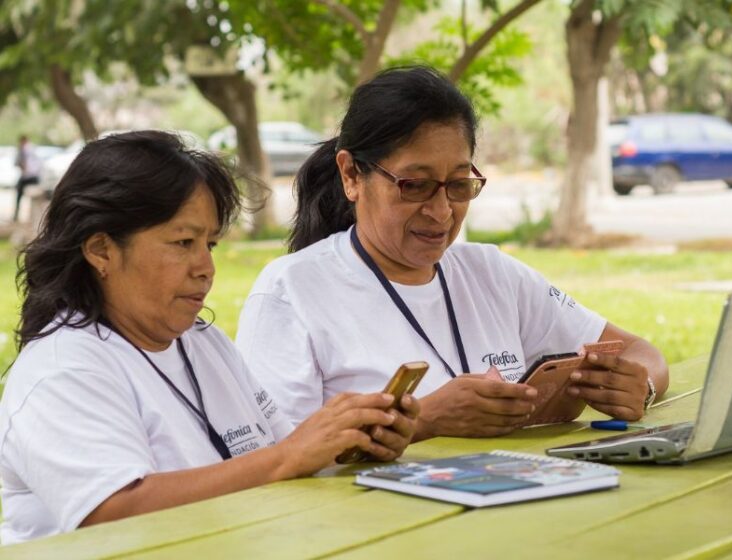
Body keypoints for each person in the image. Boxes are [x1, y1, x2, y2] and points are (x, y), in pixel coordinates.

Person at [0, 131, 419, 544]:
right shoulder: (62, 369)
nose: (205, 268)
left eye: (211, 244)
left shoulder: (205, 343)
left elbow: (285, 449)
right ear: (101, 251)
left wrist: (352, 443)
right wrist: (287, 457)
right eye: (183, 242)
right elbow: (114, 511)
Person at [236, 66, 668, 441]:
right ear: (351, 175)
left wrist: (639, 385)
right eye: (415, 185)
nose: (441, 211)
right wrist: (425, 420)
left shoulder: (492, 274)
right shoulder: (291, 292)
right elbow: (278, 457)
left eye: (459, 185)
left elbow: (641, 353)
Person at [13, 135, 42, 222]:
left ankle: (35, 216)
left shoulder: (30, 149)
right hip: (25, 177)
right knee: (19, 195)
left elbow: (37, 164)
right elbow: (17, 163)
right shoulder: (21, 151)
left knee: (35, 197)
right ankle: (16, 215)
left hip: (32, 177)